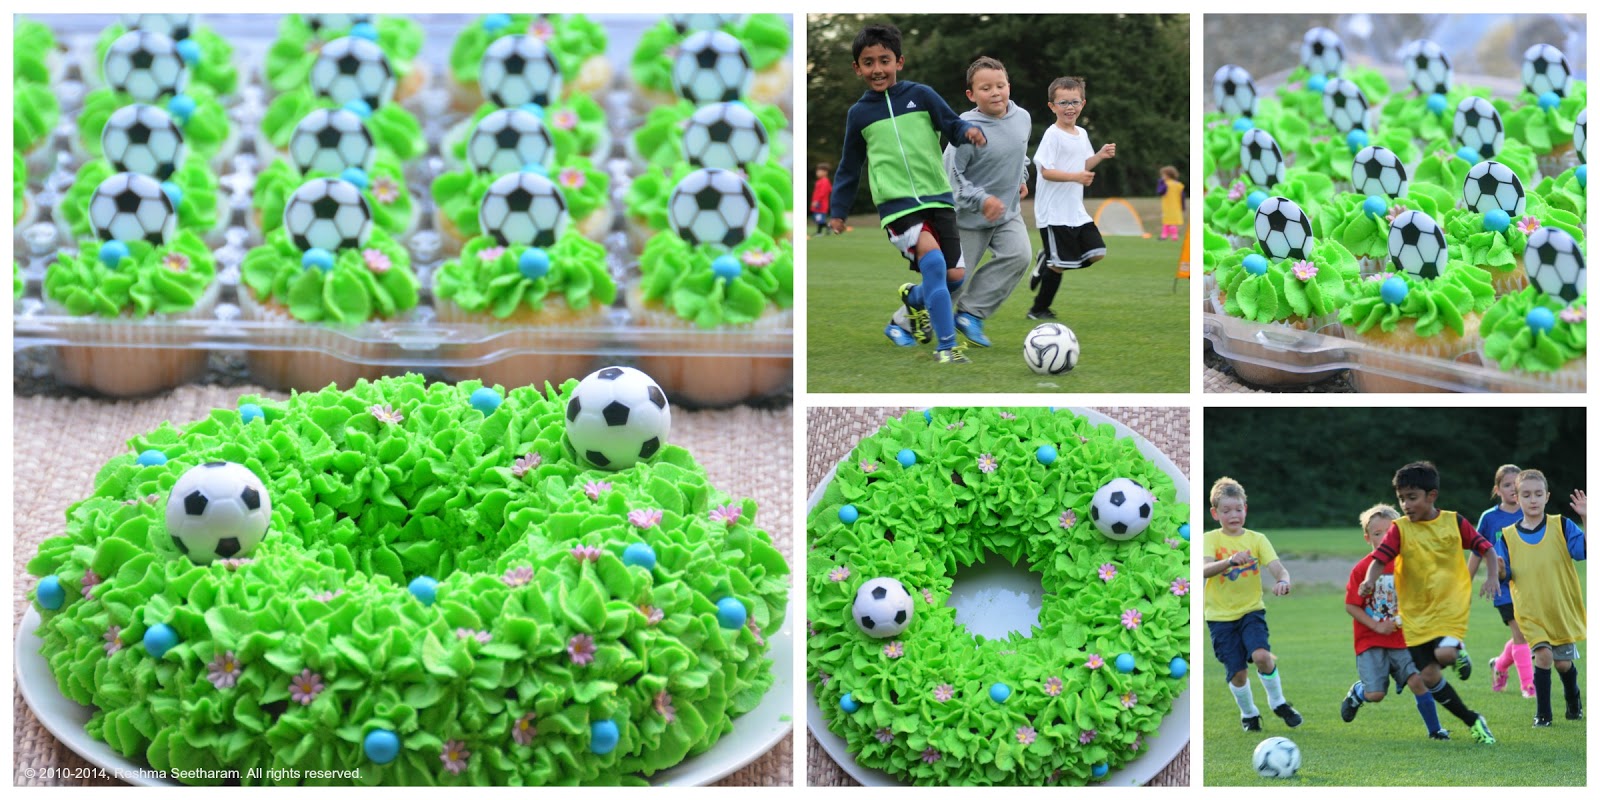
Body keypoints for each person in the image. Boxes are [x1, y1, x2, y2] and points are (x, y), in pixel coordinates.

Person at [828, 23, 987, 364]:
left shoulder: (923, 95)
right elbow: (849, 166)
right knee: (932, 263)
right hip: (897, 207)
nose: (877, 69)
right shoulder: (859, 115)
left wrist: (968, 131)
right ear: (858, 68)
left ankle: (914, 301)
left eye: (884, 60)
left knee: (954, 276)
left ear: (899, 62)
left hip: (939, 198)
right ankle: (946, 348)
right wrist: (838, 211)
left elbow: (952, 124)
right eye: (868, 63)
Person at [1359, 461, 1500, 744]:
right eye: (1401, 498)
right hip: (1414, 614)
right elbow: (1380, 558)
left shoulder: (1454, 522)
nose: (1406, 504)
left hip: (1450, 606)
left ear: (1431, 496)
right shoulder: (1399, 529)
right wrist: (1370, 579)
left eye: (1412, 497)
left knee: (1445, 655)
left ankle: (1457, 651)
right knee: (1428, 676)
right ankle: (1473, 720)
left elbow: (1486, 548)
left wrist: (1492, 577)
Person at [1339, 504, 1450, 739]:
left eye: (1389, 532)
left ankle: (1435, 731)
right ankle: (1358, 693)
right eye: (1377, 534)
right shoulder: (1362, 569)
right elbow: (1351, 605)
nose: (1383, 538)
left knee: (1418, 680)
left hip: (1404, 639)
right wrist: (1377, 626)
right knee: (1376, 695)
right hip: (1371, 640)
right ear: (1367, 537)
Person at [1202, 477, 1303, 732]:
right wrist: (1230, 561)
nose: (1233, 515)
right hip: (1219, 617)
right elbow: (1203, 570)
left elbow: (1279, 570)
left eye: (1238, 509)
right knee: (1238, 674)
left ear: (1245, 509)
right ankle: (1249, 713)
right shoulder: (1211, 539)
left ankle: (1278, 702)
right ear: (1215, 513)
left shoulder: (1258, 539)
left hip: (1251, 611)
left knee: (1261, 656)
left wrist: (1283, 581)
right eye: (1226, 511)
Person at [1496, 470, 1587, 727]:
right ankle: (1543, 714)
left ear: (1547, 497)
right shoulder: (1507, 535)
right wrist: (1500, 570)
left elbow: (1584, 552)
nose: (1532, 499)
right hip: (1529, 609)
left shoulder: (1562, 525)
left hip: (1559, 608)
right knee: (1544, 656)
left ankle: (1574, 701)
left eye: (1538, 494)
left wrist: (1586, 518)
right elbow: (1505, 573)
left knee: (1562, 663)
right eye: (1526, 494)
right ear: (1517, 498)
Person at [1026, 76, 1114, 320]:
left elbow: (1084, 163)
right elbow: (1046, 171)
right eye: (1063, 102)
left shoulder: (1081, 133)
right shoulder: (1052, 135)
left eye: (1074, 101)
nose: (1069, 107)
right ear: (1052, 106)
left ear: (1083, 104)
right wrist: (1076, 177)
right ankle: (1038, 309)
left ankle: (1047, 258)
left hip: (1075, 211)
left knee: (1097, 252)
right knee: (1059, 265)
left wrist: (1099, 155)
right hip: (1052, 212)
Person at [1466, 464, 1535, 698]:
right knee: (1520, 633)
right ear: (1497, 489)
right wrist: (1466, 581)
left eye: (1517, 485)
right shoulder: (1490, 517)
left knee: (1526, 632)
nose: (1513, 490)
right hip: (1502, 585)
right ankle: (1529, 686)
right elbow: (1477, 551)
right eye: (1507, 485)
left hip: (1529, 585)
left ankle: (1500, 665)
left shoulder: (1531, 513)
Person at [1156, 165, 1186, 241]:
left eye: (1163, 175)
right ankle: (1174, 236)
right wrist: (1183, 206)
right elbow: (1182, 196)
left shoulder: (1166, 184)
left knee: (1167, 221)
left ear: (1168, 175)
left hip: (1168, 207)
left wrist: (1160, 183)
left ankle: (1164, 236)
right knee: (1173, 222)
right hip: (1176, 207)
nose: (1162, 177)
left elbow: (1160, 192)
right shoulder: (1178, 185)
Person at [810, 163, 833, 237]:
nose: (817, 173)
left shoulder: (825, 181)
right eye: (817, 171)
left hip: (821, 204)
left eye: (819, 171)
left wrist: (817, 201)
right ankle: (820, 231)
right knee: (817, 218)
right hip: (817, 203)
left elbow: (823, 192)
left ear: (825, 172)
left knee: (819, 219)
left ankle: (827, 227)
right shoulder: (820, 181)